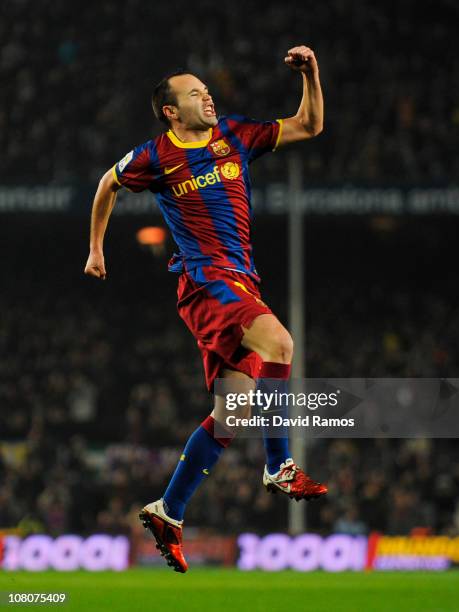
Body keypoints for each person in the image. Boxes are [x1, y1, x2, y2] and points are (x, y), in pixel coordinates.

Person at [84, 45, 327, 573]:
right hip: (206, 281)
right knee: (281, 342)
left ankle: (168, 509)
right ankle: (279, 463)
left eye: (207, 90)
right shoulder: (154, 156)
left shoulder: (235, 136)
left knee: (232, 413)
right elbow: (107, 184)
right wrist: (97, 248)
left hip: (244, 282)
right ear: (171, 110)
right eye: (195, 92)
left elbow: (309, 125)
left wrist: (311, 74)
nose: (207, 96)